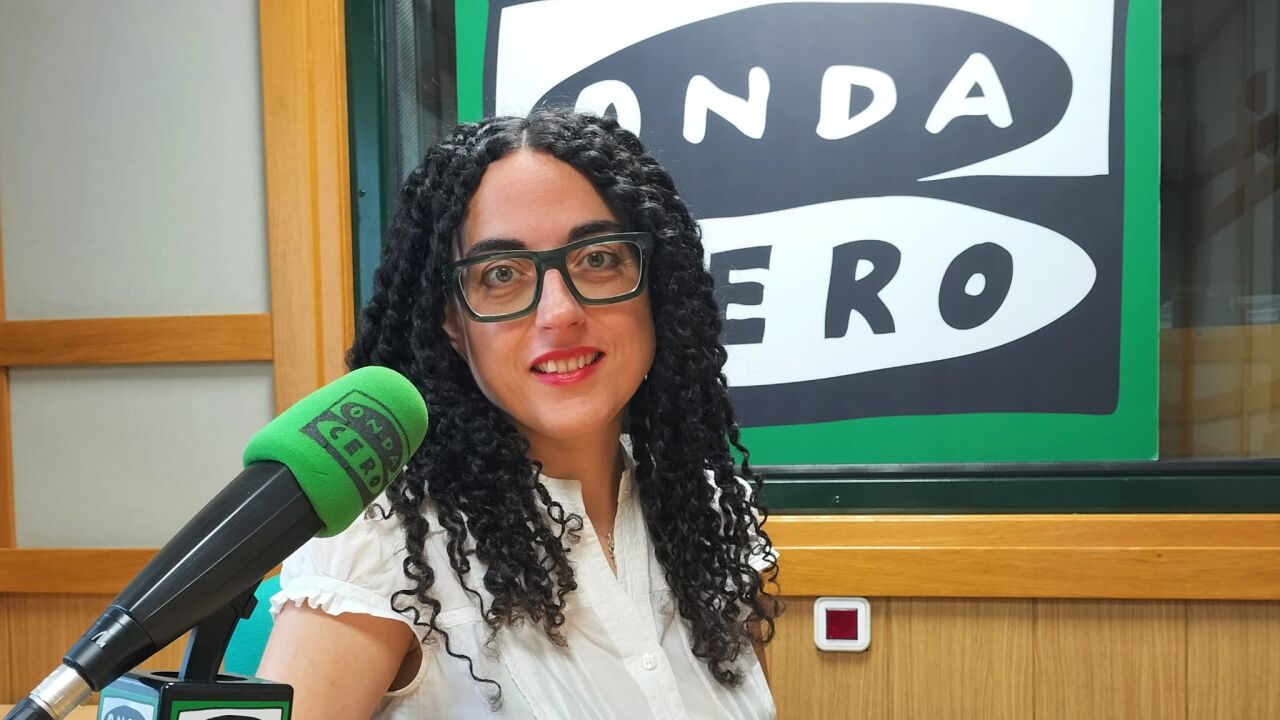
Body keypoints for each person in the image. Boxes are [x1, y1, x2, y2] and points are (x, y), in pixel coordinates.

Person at [257, 109, 780, 719]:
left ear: (654, 286)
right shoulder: (383, 542)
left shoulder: (710, 515)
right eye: (501, 274)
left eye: (597, 259)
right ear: (452, 322)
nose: (559, 313)